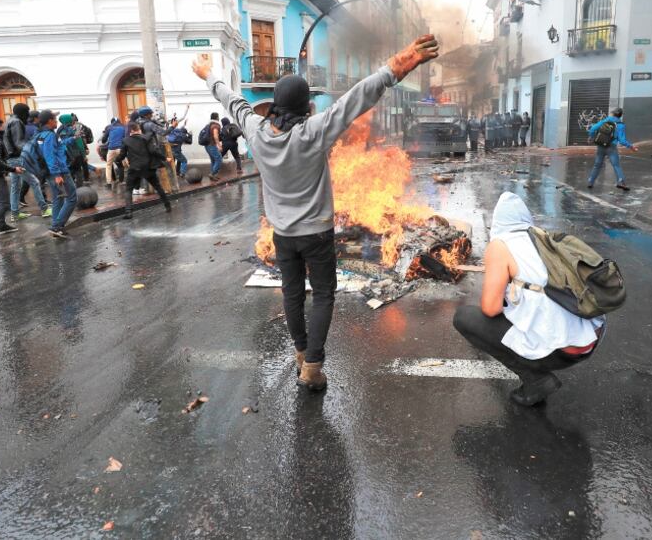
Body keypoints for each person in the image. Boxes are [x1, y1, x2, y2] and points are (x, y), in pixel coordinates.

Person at [191, 34, 439, 391]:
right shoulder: (313, 132)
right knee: (323, 294)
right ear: (305, 105)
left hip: (283, 235)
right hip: (317, 234)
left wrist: (208, 74)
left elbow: (232, 100)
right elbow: (357, 98)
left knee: (292, 293)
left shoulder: (256, 132)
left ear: (275, 105)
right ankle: (312, 366)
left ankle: (300, 353)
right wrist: (398, 65)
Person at [453, 192, 604, 406]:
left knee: (465, 317)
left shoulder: (500, 245)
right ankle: (538, 365)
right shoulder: (543, 239)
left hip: (561, 350)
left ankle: (536, 380)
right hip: (590, 340)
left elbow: (490, 308)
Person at [4, 103, 50, 221]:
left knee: (15, 186)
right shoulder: (16, 122)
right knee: (35, 182)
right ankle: (44, 209)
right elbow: (19, 142)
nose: (28, 114)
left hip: (11, 159)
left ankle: (15, 213)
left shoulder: (9, 121)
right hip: (17, 158)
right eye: (27, 111)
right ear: (22, 112)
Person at [117, 121, 172, 219]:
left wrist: (116, 160)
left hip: (134, 168)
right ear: (138, 130)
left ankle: (128, 212)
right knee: (158, 187)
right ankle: (167, 205)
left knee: (128, 189)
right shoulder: (146, 138)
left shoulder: (126, 140)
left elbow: (122, 155)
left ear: (131, 131)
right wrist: (165, 158)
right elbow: (153, 151)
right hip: (148, 167)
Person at [36, 109, 77, 239]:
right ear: (49, 121)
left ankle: (56, 226)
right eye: (54, 119)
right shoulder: (50, 135)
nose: (56, 122)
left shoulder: (41, 135)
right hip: (59, 172)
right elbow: (50, 155)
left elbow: (57, 147)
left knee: (58, 198)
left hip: (49, 171)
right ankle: (57, 226)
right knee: (72, 198)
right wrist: (57, 174)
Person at [587, 108, 638, 191]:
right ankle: (621, 182)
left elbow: (592, 129)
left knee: (597, 165)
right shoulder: (620, 125)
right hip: (611, 147)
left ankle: (591, 182)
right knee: (616, 165)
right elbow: (622, 141)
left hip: (601, 146)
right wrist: (631, 147)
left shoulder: (605, 121)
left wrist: (591, 137)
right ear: (620, 116)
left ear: (613, 113)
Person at [101, 117, 126, 189]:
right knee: (121, 165)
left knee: (108, 165)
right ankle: (121, 181)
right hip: (120, 148)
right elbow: (125, 137)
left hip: (111, 149)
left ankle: (109, 183)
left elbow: (103, 140)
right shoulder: (123, 127)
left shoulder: (109, 127)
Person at [203, 112, 223, 180]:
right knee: (219, 159)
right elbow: (215, 136)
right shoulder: (215, 125)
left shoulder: (209, 125)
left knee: (213, 160)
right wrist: (219, 145)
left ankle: (213, 175)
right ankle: (212, 173)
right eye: (218, 117)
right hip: (212, 145)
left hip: (207, 145)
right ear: (217, 117)